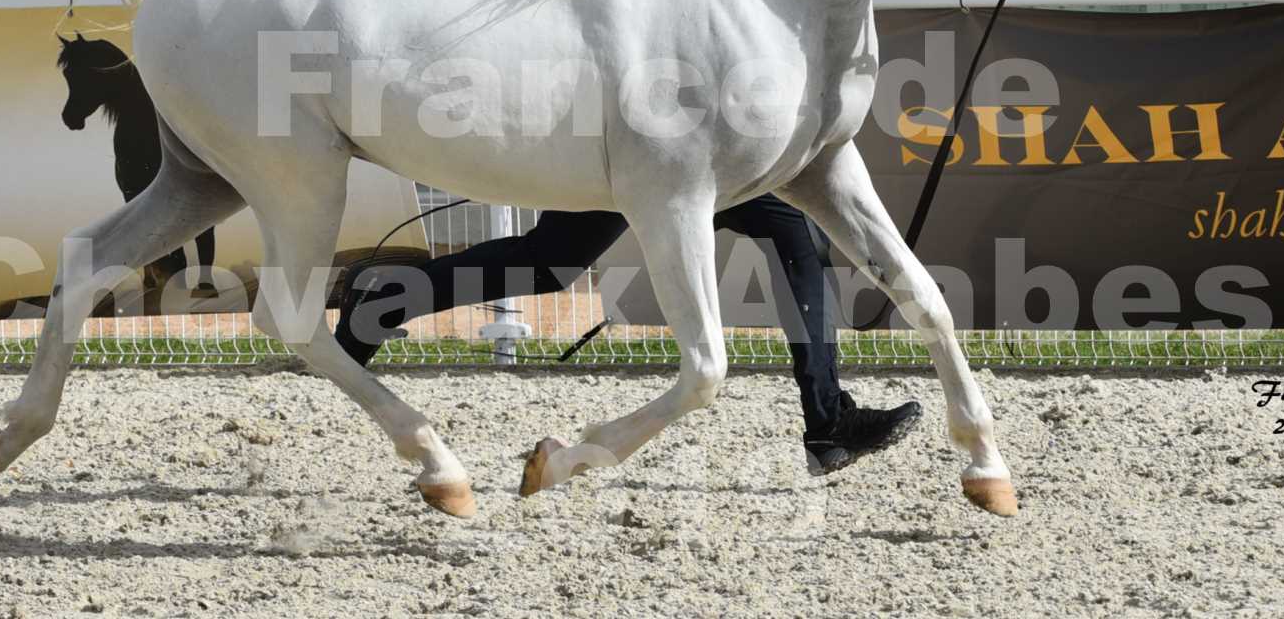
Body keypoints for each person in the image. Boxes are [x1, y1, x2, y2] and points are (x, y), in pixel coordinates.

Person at [334, 199, 923, 476]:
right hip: (636, 135)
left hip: (703, 144)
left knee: (796, 232)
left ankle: (827, 421)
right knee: (551, 264)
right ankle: (387, 299)